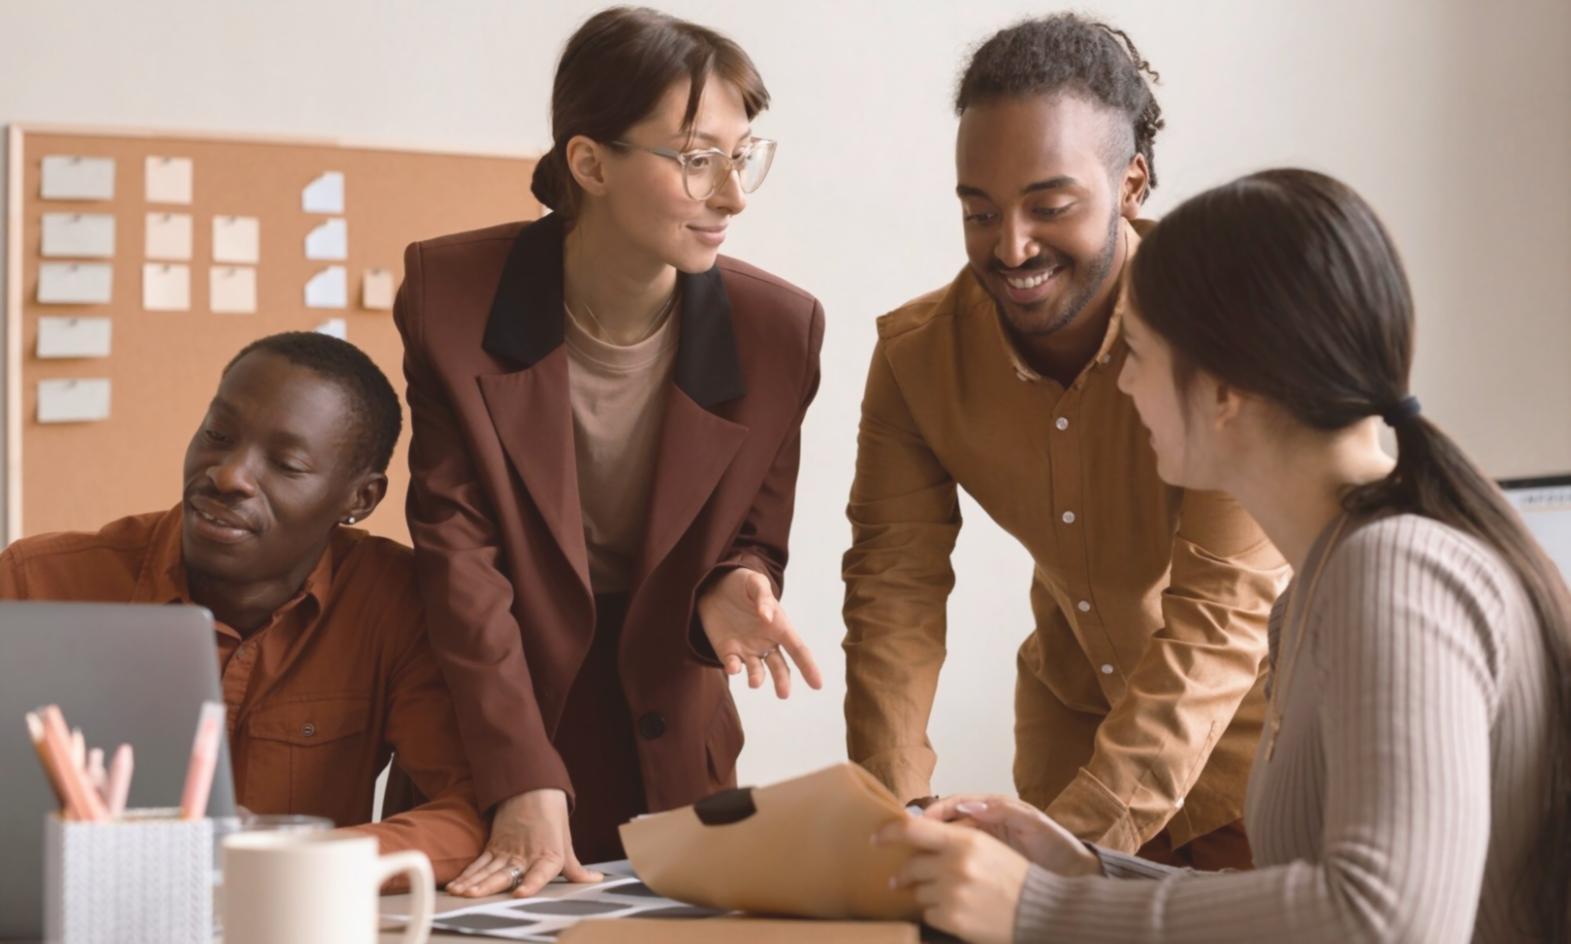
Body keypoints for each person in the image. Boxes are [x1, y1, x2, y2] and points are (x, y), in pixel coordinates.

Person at [878, 168, 1571, 943]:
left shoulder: (1394, 571)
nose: (1124, 383)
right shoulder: (1324, 581)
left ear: (1224, 390)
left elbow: (1388, 920)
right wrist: (1084, 868)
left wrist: (1043, 910)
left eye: (1135, 352)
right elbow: (1304, 903)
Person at [395, 6, 826, 899]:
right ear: (589, 162)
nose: (732, 197)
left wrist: (733, 580)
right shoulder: (451, 299)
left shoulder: (780, 332)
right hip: (499, 706)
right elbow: (458, 556)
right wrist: (520, 770)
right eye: (696, 159)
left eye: (741, 157)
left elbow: (754, 531)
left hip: (671, 715)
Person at [842, 13, 1286, 868]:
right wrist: (895, 808)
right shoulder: (915, 357)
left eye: (1049, 206)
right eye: (978, 212)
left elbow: (1220, 616)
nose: (1010, 247)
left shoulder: (1227, 340)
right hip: (1068, 745)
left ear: (1131, 183)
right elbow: (891, 588)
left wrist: (1069, 844)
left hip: (1259, 758)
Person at [0, 332, 485, 887]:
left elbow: (472, 813)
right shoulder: (35, 581)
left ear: (361, 498)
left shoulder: (392, 601)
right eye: (217, 435)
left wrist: (286, 860)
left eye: (286, 464)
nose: (228, 476)